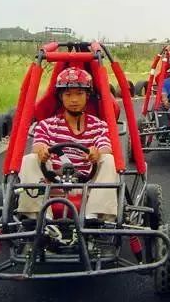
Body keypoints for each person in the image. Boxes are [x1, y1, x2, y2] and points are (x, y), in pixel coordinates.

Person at [17, 67, 119, 223]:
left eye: (79, 94)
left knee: (108, 159)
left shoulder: (99, 125)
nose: (74, 100)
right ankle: (41, 219)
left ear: (87, 96)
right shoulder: (47, 125)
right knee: (30, 159)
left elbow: (105, 147)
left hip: (87, 185)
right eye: (68, 94)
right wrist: (42, 152)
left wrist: (97, 153)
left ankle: (94, 219)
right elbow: (38, 146)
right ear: (60, 97)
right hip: (53, 185)